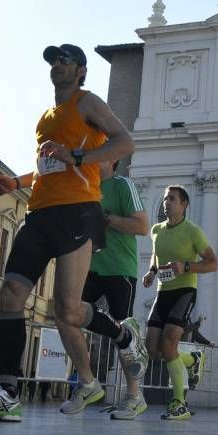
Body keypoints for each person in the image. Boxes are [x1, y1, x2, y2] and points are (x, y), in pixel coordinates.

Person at [0, 44, 145, 422]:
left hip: (78, 212)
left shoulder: (87, 102)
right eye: (53, 60)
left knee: (68, 310)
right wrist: (16, 181)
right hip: (39, 213)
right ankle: (8, 392)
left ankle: (123, 336)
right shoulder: (46, 117)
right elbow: (48, 166)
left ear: (80, 70)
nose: (57, 65)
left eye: (65, 60)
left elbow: (125, 142)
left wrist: (77, 157)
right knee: (11, 292)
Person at [142, 185, 218, 421]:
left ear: (184, 204)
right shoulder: (156, 230)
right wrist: (151, 272)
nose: (167, 203)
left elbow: (212, 263)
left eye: (172, 199)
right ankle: (192, 359)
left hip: (185, 290)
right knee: (153, 351)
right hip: (163, 292)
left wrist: (186, 266)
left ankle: (179, 403)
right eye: (165, 199)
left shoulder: (193, 231)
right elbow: (156, 256)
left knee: (170, 341)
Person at [81, 160, 149, 420]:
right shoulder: (85, 186)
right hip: (90, 266)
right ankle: (87, 383)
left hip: (121, 269)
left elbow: (142, 226)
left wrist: (106, 219)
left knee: (123, 337)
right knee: (70, 312)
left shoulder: (123, 186)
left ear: (112, 158)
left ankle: (134, 396)